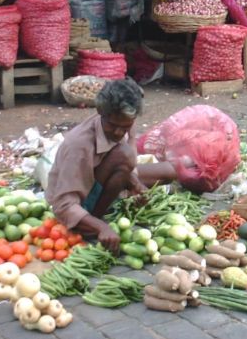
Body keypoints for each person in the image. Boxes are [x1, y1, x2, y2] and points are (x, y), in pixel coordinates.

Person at [46, 79, 175, 252]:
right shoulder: (79, 145)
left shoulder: (125, 119)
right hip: (77, 204)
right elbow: (63, 206)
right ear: (101, 112)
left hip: (102, 177)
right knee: (123, 155)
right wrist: (101, 227)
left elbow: (128, 163)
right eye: (113, 126)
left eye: (125, 127)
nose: (119, 132)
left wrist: (135, 185)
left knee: (170, 170)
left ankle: (110, 204)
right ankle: (94, 220)